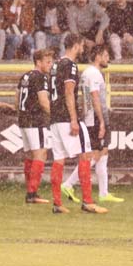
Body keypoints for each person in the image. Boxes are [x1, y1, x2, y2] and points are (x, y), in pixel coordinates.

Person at [46, 34, 107, 214]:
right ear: (75, 46)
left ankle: (57, 203)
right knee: (86, 155)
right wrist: (73, 119)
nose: (82, 49)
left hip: (55, 118)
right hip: (66, 117)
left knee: (58, 159)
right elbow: (69, 91)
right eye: (81, 45)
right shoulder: (70, 65)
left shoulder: (55, 64)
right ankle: (88, 201)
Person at [62, 44, 123, 205]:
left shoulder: (88, 73)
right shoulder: (94, 74)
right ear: (98, 56)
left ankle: (104, 192)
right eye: (105, 55)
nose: (108, 58)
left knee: (103, 153)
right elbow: (94, 96)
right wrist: (101, 120)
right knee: (95, 154)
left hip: (91, 117)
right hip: (95, 118)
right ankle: (68, 183)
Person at [17, 49, 55, 205]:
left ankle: (30, 191)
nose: (50, 65)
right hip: (36, 120)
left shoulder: (25, 76)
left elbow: (17, 97)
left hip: (24, 119)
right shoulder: (40, 77)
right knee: (41, 154)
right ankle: (32, 193)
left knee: (30, 156)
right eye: (47, 62)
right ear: (38, 62)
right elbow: (44, 101)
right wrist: (56, 116)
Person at [105, 0, 133, 65]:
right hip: (117, 35)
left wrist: (130, 35)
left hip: (131, 35)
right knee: (114, 39)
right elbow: (111, 26)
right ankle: (118, 60)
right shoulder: (110, 9)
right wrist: (123, 33)